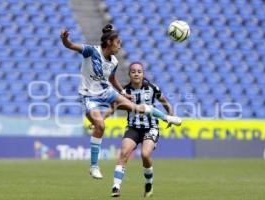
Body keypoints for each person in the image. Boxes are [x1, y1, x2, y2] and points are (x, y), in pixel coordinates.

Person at [60, 24, 182, 179]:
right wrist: (65, 39)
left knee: (136, 107)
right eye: (118, 43)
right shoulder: (91, 51)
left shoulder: (114, 62)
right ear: (110, 42)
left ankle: (167, 118)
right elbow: (70, 45)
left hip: (106, 91)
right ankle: (94, 167)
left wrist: (123, 92)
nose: (120, 46)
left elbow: (111, 78)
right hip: (88, 95)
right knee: (100, 125)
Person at [107, 62, 180, 197]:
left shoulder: (152, 88)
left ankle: (149, 183)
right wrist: (102, 118)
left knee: (145, 155)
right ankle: (116, 187)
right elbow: (114, 107)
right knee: (123, 153)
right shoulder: (125, 91)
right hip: (133, 127)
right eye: (133, 71)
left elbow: (164, 101)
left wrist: (170, 113)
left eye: (139, 71)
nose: (136, 73)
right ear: (129, 74)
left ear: (143, 73)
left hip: (150, 127)